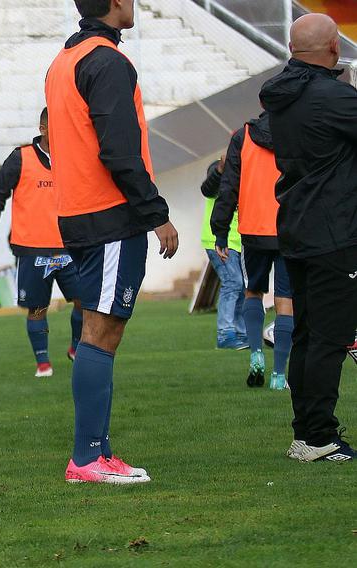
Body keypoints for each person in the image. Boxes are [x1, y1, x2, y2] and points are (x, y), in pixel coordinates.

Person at [44, 0, 178, 484]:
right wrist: (156, 213)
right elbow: (118, 148)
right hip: (108, 217)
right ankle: (88, 458)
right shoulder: (107, 61)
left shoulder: (64, 60)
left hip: (78, 213)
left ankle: (95, 454)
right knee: (100, 334)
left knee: (98, 333)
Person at [259, 12, 357, 462]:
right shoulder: (331, 97)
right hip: (335, 231)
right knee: (328, 339)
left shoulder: (284, 96)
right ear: (335, 47)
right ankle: (319, 436)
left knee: (306, 334)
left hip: (297, 226)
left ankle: (307, 435)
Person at [0, 107, 83, 378]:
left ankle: (76, 348)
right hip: (33, 247)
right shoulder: (20, 158)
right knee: (37, 307)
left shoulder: (73, 157)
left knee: (85, 300)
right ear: (43, 128)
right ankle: (43, 363)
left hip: (69, 246)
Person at [211, 112, 293, 390]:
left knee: (253, 292)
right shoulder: (296, 131)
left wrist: (220, 229)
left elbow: (228, 186)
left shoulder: (242, 136)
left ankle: (256, 352)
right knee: (286, 302)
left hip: (254, 230)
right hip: (289, 229)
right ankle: (279, 375)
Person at [199, 157, 248, 350]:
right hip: (217, 241)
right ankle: (225, 333)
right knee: (233, 282)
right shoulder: (218, 173)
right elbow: (208, 188)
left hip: (237, 242)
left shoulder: (242, 177)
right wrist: (220, 170)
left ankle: (240, 333)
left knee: (242, 286)